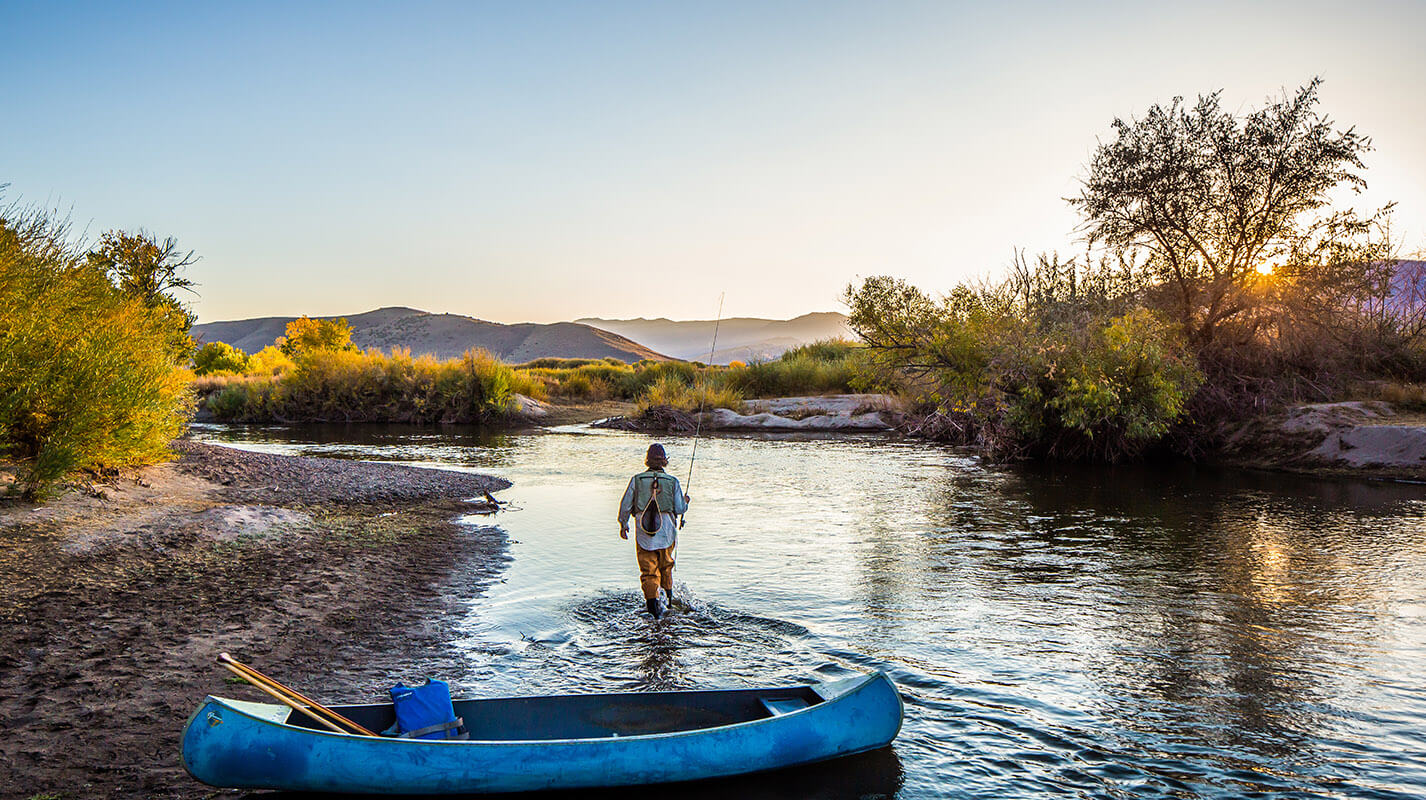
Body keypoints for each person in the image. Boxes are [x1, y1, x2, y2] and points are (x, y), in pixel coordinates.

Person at [618, 443, 689, 619]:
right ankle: (668, 605)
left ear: (647, 459)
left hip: (644, 532)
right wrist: (686, 501)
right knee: (666, 567)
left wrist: (623, 524)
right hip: (667, 531)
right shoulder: (673, 481)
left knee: (648, 571)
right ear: (665, 461)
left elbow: (626, 505)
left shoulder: (637, 479)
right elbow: (680, 509)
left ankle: (653, 611)